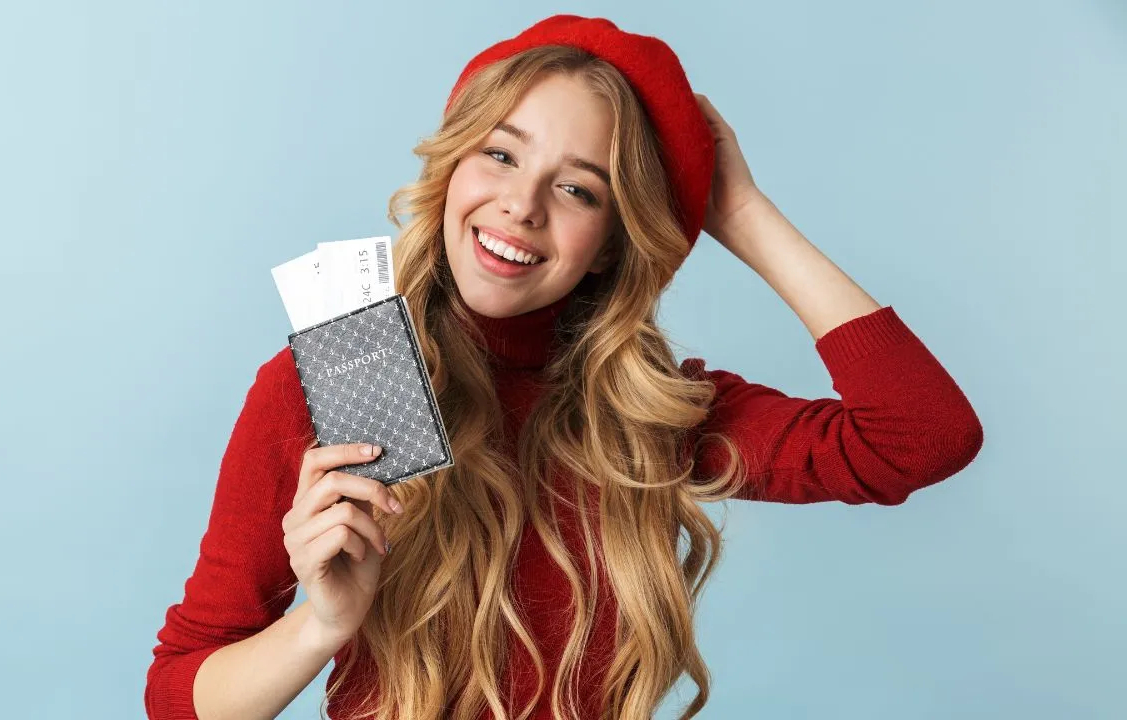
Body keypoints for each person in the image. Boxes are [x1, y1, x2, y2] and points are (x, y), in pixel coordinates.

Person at [144, 14, 984, 720]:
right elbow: (177, 694)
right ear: (452, 167)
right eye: (500, 155)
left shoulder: (651, 416)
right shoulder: (332, 385)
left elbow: (922, 436)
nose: (522, 205)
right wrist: (321, 627)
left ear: (616, 239)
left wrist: (742, 214)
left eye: (579, 189)